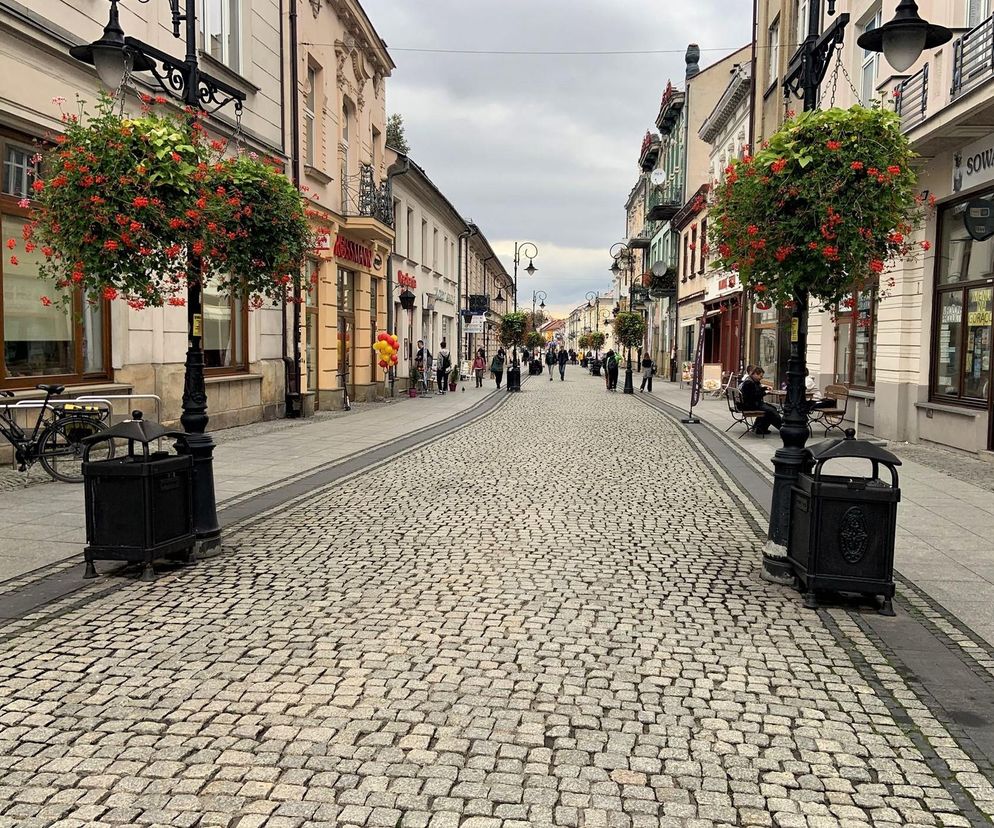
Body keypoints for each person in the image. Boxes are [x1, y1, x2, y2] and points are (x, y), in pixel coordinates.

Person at [739, 366, 781, 434]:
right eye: (760, 376)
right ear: (755, 374)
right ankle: (781, 428)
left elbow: (755, 391)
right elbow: (753, 396)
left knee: (772, 408)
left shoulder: (751, 381)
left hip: (750, 404)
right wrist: (764, 393)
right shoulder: (749, 383)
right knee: (771, 411)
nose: (761, 378)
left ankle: (760, 427)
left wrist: (764, 388)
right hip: (750, 405)